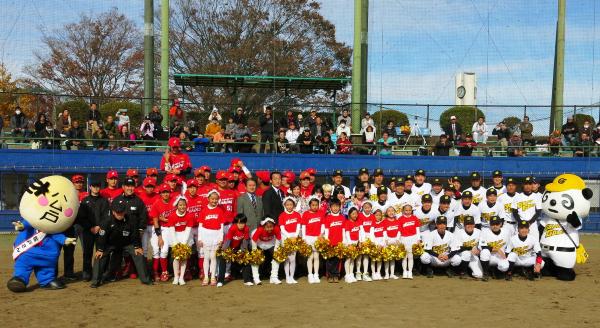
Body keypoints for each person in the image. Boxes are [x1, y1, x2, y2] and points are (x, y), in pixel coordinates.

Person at [90, 199, 152, 288]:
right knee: (99, 256)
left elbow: (135, 234)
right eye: (117, 212)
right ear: (113, 212)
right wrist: (100, 250)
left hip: (127, 243)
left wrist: (137, 246)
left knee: (139, 254)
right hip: (110, 244)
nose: (120, 214)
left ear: (125, 211)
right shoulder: (106, 221)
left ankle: (146, 279)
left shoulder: (131, 219)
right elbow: (102, 237)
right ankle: (95, 281)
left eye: (121, 212)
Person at [76, 179, 109, 281]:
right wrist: (90, 227)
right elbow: (81, 217)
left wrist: (99, 226)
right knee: (87, 252)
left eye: (98, 186)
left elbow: (106, 216)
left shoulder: (104, 201)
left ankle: (101, 272)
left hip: (100, 230)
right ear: (90, 187)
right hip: (88, 230)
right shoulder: (85, 201)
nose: (96, 188)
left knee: (101, 251)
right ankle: (87, 272)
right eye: (94, 186)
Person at [197, 189, 225, 286]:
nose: (214, 201)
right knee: (206, 257)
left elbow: (221, 226)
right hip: (206, 235)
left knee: (213, 257)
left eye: (216, 199)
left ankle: (213, 277)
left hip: (216, 235)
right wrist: (200, 238)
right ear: (208, 199)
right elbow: (200, 225)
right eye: (212, 199)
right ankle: (206, 277)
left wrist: (221, 239)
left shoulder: (220, 210)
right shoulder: (204, 210)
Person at [166, 197, 194, 285]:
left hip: (186, 237)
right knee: (176, 258)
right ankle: (176, 277)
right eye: (180, 205)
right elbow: (171, 230)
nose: (182, 207)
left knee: (184, 258)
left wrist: (184, 244)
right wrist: (176, 244)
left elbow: (188, 230)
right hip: (175, 236)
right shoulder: (172, 215)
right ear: (177, 206)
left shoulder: (190, 215)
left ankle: (182, 277)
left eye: (184, 205)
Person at [218, 214, 253, 286]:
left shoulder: (246, 229)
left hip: (238, 248)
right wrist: (225, 251)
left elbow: (245, 241)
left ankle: (247, 280)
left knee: (246, 258)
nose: (241, 225)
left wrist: (243, 251)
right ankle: (220, 281)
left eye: (243, 223)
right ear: (236, 223)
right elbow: (228, 241)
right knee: (222, 259)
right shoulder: (232, 228)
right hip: (229, 248)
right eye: (239, 223)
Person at [250, 217, 282, 285]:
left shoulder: (276, 228)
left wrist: (276, 250)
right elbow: (253, 240)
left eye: (271, 227)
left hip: (270, 243)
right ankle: (256, 278)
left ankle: (274, 277)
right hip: (259, 243)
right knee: (255, 259)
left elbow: (279, 239)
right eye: (267, 227)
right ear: (264, 226)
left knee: (277, 256)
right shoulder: (260, 229)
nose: (270, 229)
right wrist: (255, 251)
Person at [479, 216, 510, 280]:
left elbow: (510, 245)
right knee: (484, 252)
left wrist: (506, 255)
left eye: (497, 224)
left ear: (500, 224)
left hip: (500, 256)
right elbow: (483, 246)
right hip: (489, 257)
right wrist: (497, 249)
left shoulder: (506, 232)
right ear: (490, 224)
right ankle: (485, 273)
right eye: (493, 224)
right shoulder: (484, 232)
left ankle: (495, 270)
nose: (495, 226)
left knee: (505, 266)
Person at [278, 197, 301, 284]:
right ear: (284, 205)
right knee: (287, 258)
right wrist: (289, 237)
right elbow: (282, 228)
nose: (289, 206)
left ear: (294, 205)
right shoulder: (282, 215)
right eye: (287, 205)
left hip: (295, 238)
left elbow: (298, 227)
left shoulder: (297, 215)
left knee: (293, 258)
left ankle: (292, 276)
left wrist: (294, 236)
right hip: (285, 238)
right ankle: (287, 276)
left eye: (291, 204)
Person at [302, 197, 325, 284]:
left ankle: (316, 274)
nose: (315, 207)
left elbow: (323, 225)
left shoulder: (321, 213)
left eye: (316, 205)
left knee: (316, 256)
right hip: (308, 238)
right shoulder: (305, 214)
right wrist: (304, 238)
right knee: (310, 257)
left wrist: (321, 234)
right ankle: (310, 275)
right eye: (313, 205)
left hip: (317, 238)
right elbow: (303, 227)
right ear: (309, 205)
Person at [324, 199, 345, 283]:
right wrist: (326, 240)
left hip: (339, 242)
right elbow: (326, 230)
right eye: (333, 206)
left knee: (337, 260)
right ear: (330, 207)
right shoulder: (328, 217)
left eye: (337, 206)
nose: (335, 208)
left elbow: (343, 230)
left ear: (340, 207)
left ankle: (336, 275)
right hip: (330, 242)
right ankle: (330, 275)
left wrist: (343, 241)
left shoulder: (342, 217)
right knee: (330, 260)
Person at [398, 204, 421, 279]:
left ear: (412, 210)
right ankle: (404, 271)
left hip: (413, 238)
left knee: (410, 256)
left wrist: (418, 239)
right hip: (404, 238)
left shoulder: (415, 218)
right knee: (404, 256)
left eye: (409, 210)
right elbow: (399, 231)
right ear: (403, 211)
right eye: (406, 210)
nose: (408, 212)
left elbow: (417, 229)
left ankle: (410, 271)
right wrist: (399, 239)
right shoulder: (400, 219)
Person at [342, 207, 361, 283]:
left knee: (353, 259)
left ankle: (351, 274)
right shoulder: (347, 222)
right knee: (348, 259)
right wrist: (349, 244)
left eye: (356, 213)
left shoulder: (357, 222)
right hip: (349, 244)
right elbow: (347, 234)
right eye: (353, 214)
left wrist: (359, 242)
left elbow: (359, 233)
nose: (355, 215)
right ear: (349, 214)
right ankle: (347, 275)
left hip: (355, 243)